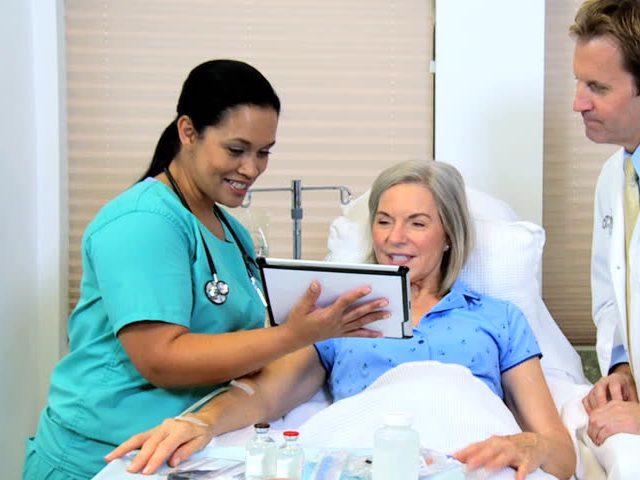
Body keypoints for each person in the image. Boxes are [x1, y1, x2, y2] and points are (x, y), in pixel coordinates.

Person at [22, 60, 387, 480]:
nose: (251, 168)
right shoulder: (142, 222)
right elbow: (161, 359)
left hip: (179, 453)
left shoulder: (230, 230)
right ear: (188, 132)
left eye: (264, 152)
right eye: (236, 150)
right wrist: (293, 336)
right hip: (101, 457)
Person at [108, 160, 576, 480]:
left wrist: (529, 445)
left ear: (449, 234)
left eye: (417, 223)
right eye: (384, 221)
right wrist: (202, 424)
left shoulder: (497, 318)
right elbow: (265, 394)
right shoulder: (339, 317)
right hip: (371, 455)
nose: (395, 238)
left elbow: (561, 453)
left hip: (463, 455)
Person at [570, 0, 640, 458]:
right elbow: (612, 294)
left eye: (597, 87)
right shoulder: (615, 176)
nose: (578, 102)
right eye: (578, 82)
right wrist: (622, 369)